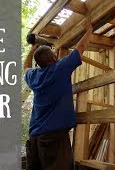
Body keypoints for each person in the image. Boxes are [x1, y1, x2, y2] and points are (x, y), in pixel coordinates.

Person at [23, 21, 93, 170]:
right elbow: (80, 48)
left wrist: (32, 49)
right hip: (53, 140)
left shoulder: (34, 76)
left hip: (34, 140)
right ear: (54, 59)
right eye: (55, 54)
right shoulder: (59, 69)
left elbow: (25, 66)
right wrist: (89, 31)